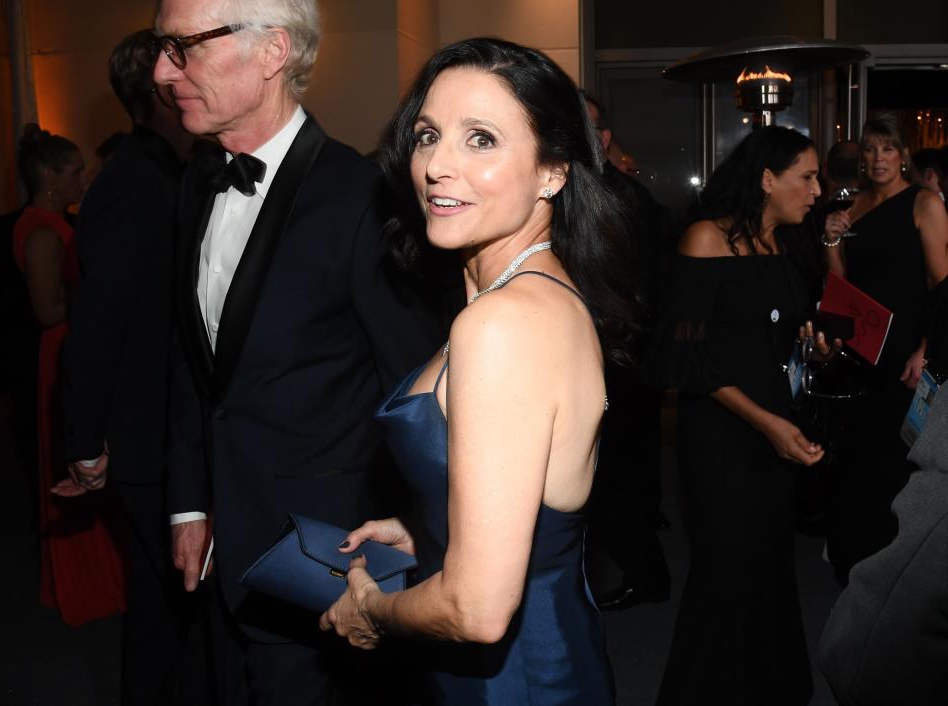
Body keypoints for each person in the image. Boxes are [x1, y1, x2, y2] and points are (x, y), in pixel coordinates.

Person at [319, 37, 642, 705]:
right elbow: (532, 492)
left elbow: (477, 611)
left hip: (515, 683)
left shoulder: (501, 325)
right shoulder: (533, 295)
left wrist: (369, 612)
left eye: (481, 139)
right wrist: (431, 526)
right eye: (429, 134)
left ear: (553, 171)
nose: (437, 164)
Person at [152, 0, 440, 703]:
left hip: (327, 561)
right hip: (223, 545)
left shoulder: (364, 198)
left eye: (182, 47)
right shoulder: (197, 180)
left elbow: (418, 388)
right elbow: (196, 368)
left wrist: (417, 538)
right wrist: (189, 506)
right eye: (161, 48)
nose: (162, 71)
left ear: (273, 51)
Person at [650, 127, 833, 705]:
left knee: (767, 565)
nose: (817, 189)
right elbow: (682, 359)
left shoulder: (783, 245)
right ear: (766, 179)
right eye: (806, 176)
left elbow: (768, 336)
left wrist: (809, 349)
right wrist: (766, 422)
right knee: (725, 571)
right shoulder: (707, 240)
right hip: (725, 438)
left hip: (775, 430)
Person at [59, 30, 210, 705]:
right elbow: (94, 327)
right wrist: (85, 443)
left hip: (171, 430)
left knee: (165, 613)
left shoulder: (172, 171)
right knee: (173, 612)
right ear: (159, 89)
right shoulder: (133, 181)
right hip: (151, 437)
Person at [823, 112, 948, 584]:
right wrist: (831, 238)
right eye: (870, 149)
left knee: (896, 462)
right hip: (861, 351)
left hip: (906, 355)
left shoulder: (924, 203)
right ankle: (855, 561)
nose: (878, 158)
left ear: (904, 155)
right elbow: (838, 285)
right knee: (856, 458)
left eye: (888, 149)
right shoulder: (851, 206)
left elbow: (942, 286)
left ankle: (893, 568)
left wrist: (927, 350)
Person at [12, 124, 128, 627]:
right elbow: (46, 310)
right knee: (71, 460)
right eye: (75, 170)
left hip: (71, 344)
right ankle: (83, 581)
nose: (85, 178)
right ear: (49, 177)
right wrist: (98, 299)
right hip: (59, 351)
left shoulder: (56, 222)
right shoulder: (40, 229)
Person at [582, 91, 671, 609]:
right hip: (607, 354)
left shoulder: (623, 198)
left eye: (587, 127)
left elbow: (642, 285)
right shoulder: (577, 188)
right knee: (618, 470)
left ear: (605, 137)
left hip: (617, 356)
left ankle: (646, 574)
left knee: (611, 474)